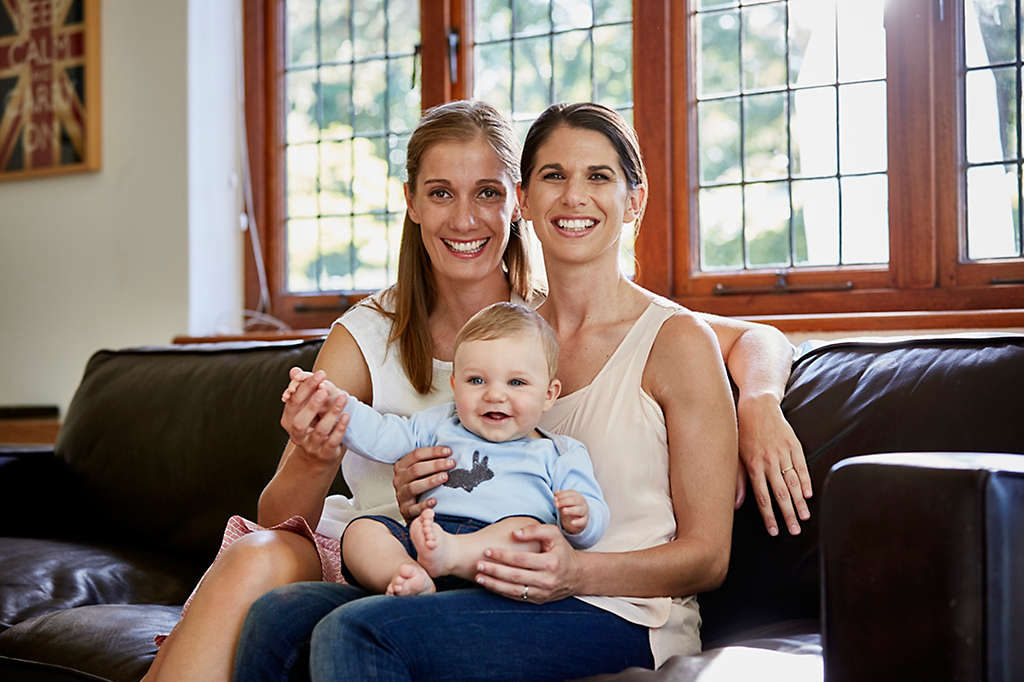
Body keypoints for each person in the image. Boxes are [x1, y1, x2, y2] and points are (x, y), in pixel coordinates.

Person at [143, 100, 805, 682]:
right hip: (485, 583)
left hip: (619, 608)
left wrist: (759, 401)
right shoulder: (508, 342)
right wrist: (407, 487)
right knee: (281, 614)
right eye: (554, 176)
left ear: (633, 201)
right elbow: (445, 447)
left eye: (598, 176)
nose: (573, 196)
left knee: (355, 631)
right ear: (532, 197)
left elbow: (708, 557)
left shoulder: (670, 335)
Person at [310, 301, 608, 596]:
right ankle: (405, 575)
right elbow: (382, 435)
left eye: (516, 382)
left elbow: (591, 517)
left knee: (531, 534)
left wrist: (580, 519)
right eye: (476, 380)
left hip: (500, 554)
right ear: (455, 385)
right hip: (427, 538)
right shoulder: (440, 424)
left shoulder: (559, 452)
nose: (494, 394)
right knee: (361, 532)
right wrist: (335, 403)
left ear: (548, 394)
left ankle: (452, 556)